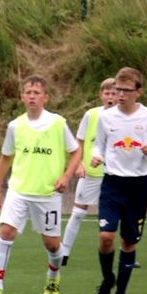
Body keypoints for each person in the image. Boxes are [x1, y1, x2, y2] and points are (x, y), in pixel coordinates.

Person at [0, 75, 81, 294]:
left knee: (52, 245)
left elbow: (77, 151)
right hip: (18, 190)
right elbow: (6, 157)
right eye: (28, 92)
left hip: (48, 194)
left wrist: (67, 176)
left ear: (45, 97)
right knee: (6, 232)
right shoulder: (15, 126)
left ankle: (53, 277)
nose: (32, 96)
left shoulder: (58, 123)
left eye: (36, 93)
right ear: (22, 97)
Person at [90, 67, 147, 294]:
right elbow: (98, 145)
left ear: (138, 92)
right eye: (117, 90)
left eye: (126, 90)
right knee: (106, 237)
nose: (120, 94)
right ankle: (107, 280)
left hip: (139, 184)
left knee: (129, 241)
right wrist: (96, 156)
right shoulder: (106, 117)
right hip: (112, 182)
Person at [60, 77, 117, 266]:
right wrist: (79, 164)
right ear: (101, 95)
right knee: (78, 213)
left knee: (120, 215)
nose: (110, 97)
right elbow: (80, 141)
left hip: (116, 175)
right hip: (91, 173)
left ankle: (128, 253)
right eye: (107, 93)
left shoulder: (125, 118)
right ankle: (64, 252)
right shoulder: (91, 115)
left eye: (114, 93)